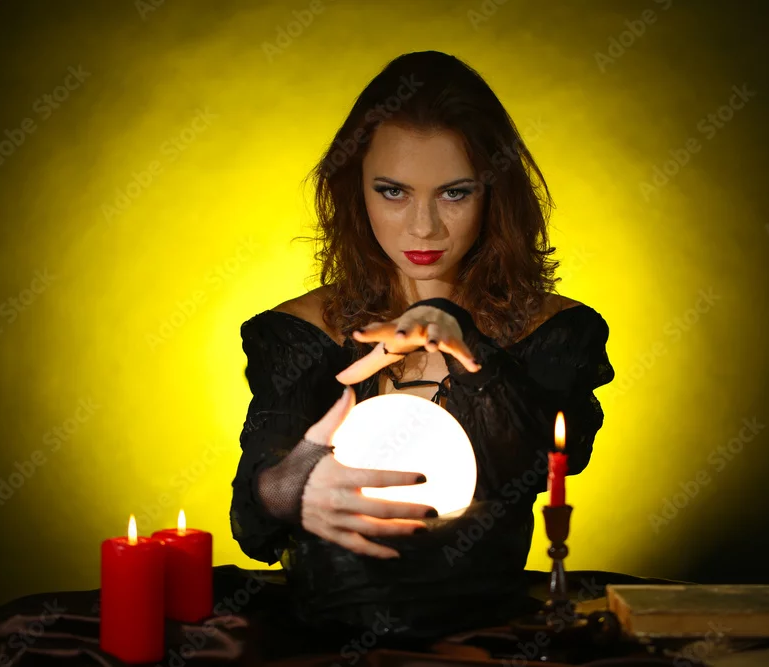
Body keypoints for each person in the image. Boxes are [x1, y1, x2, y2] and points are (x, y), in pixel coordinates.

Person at [229, 50, 615, 641]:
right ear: (354, 190)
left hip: (483, 634)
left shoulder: (552, 332)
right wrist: (293, 488)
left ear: (493, 193)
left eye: (454, 193)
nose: (423, 227)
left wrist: (465, 339)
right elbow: (253, 517)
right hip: (329, 634)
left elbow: (543, 460)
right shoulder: (302, 333)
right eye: (393, 191)